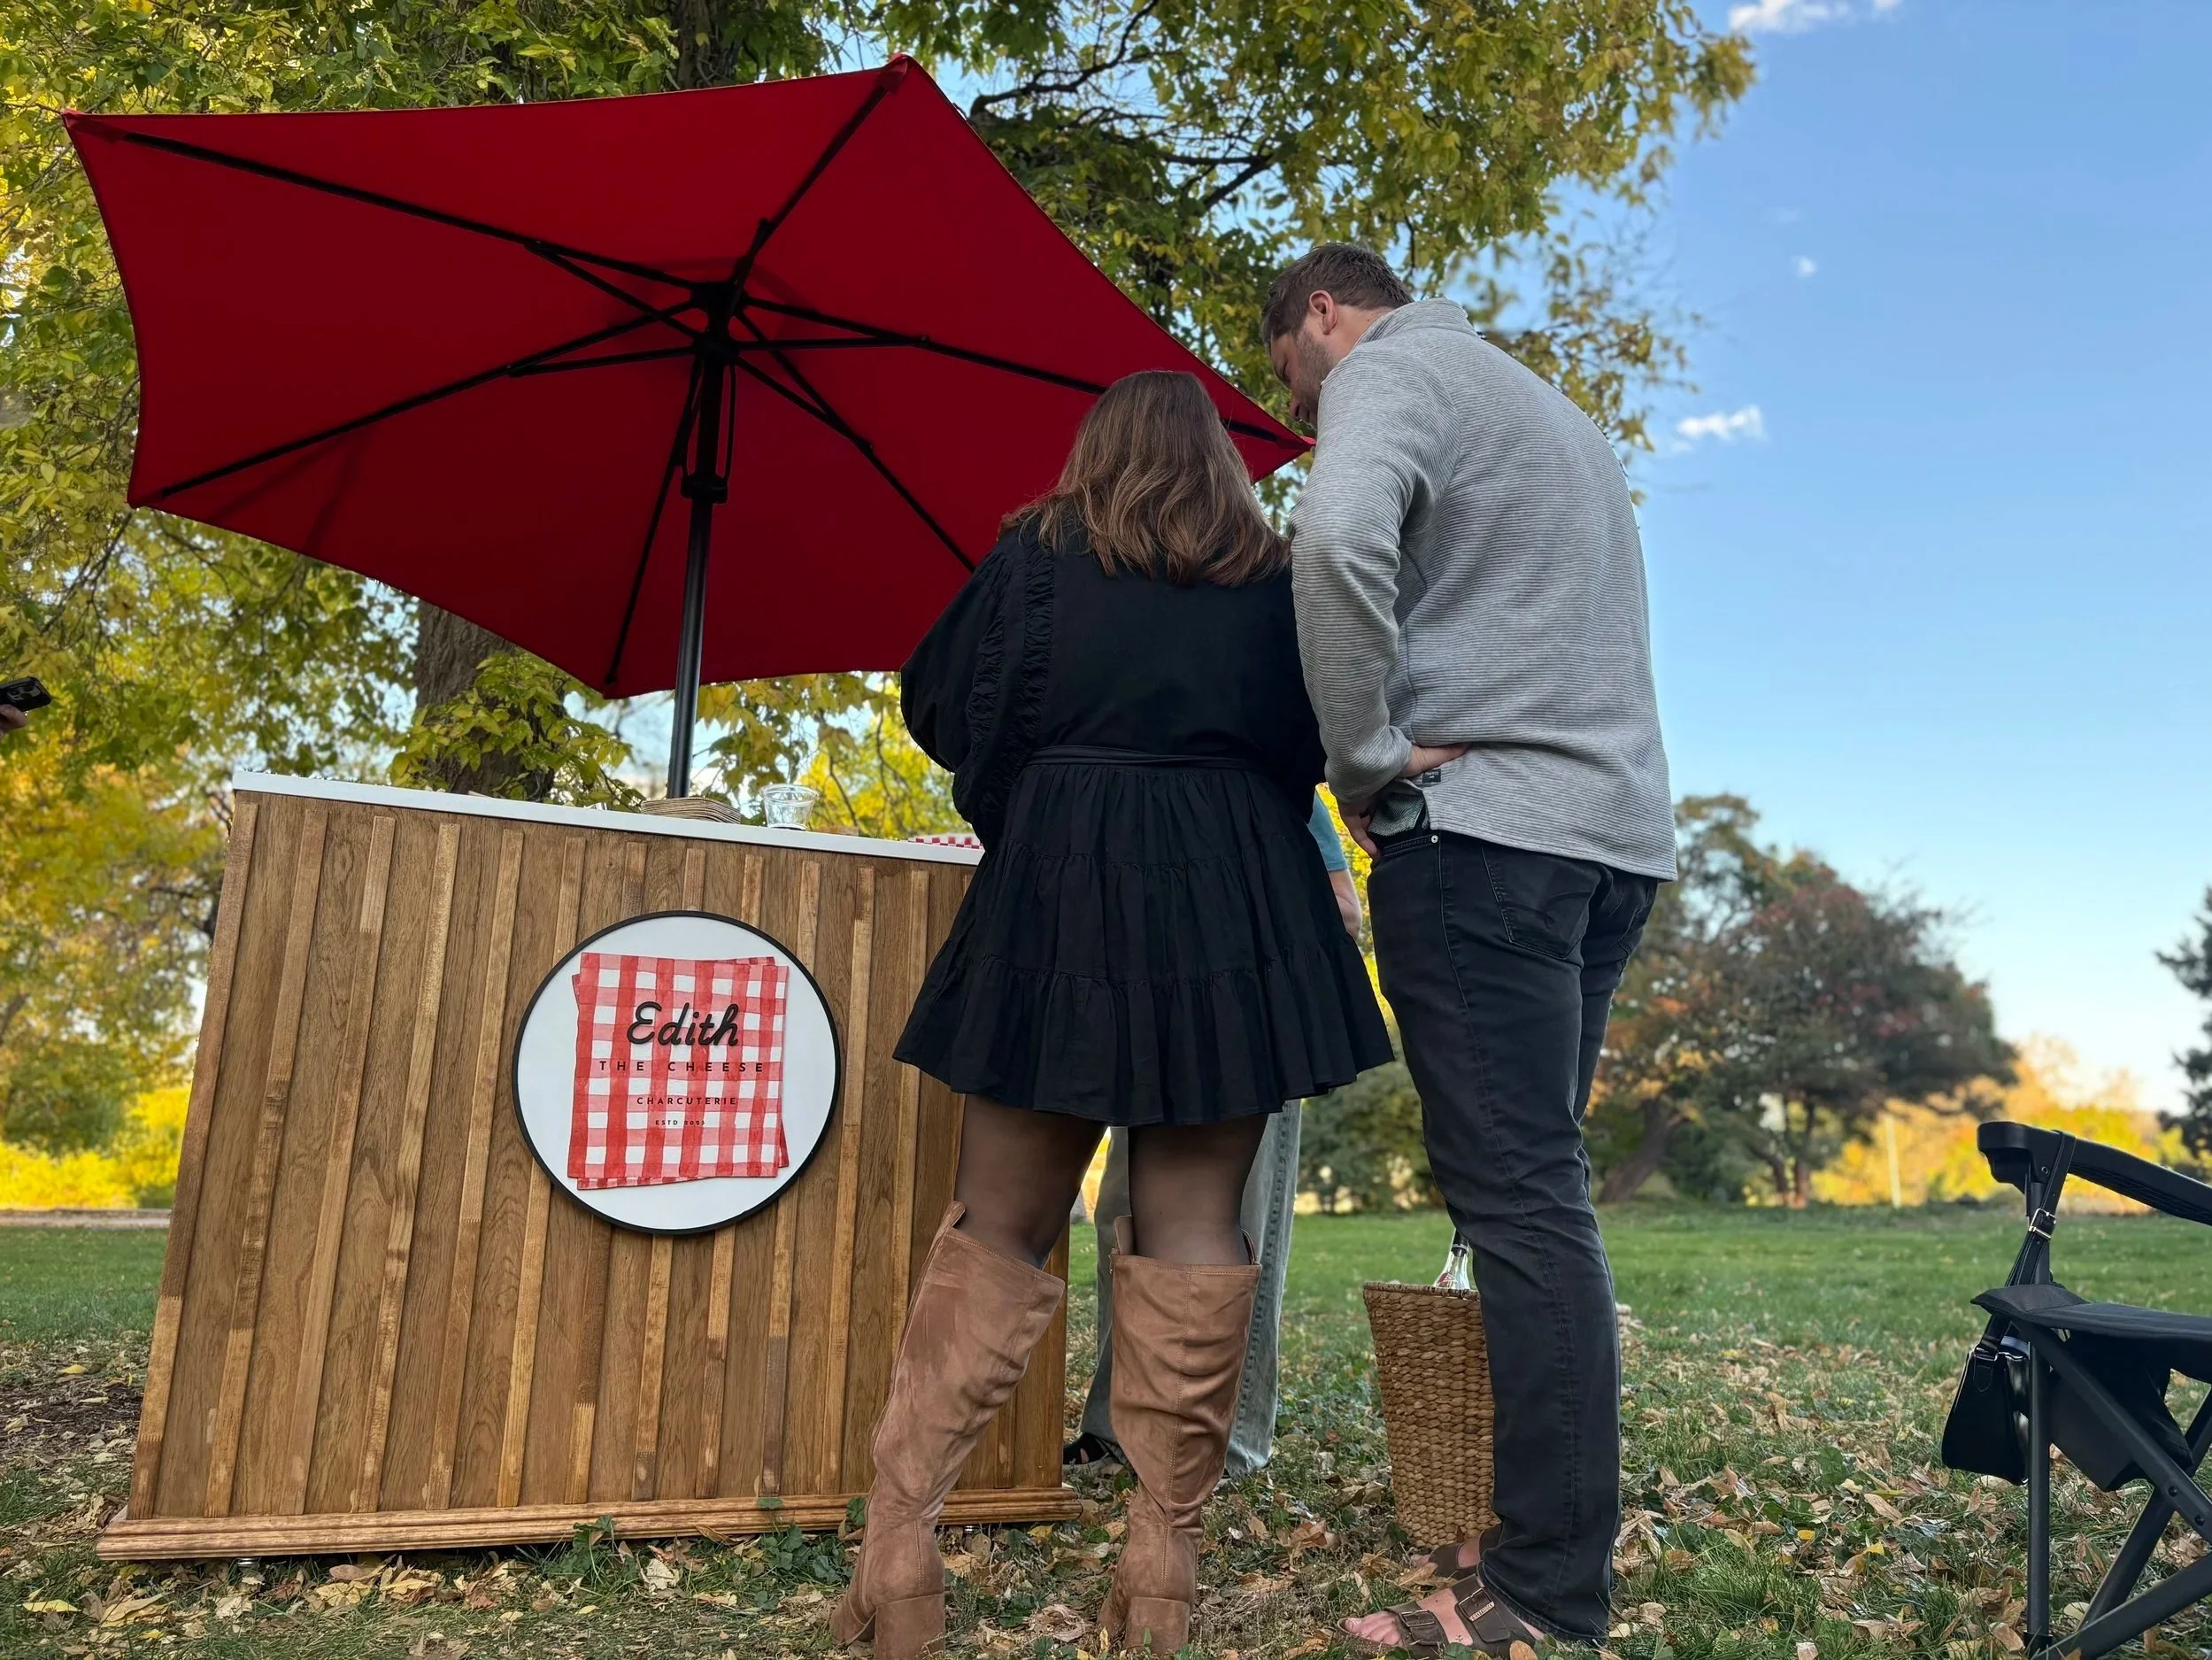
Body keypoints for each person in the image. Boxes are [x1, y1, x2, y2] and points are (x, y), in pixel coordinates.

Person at [832, 370, 1392, 1660]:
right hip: (1232, 895)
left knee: (1000, 1221)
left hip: (1060, 883)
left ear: (1094, 451)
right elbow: (1317, 731)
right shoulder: (1274, 575)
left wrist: (1033, 781)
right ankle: (1159, 1568)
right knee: (1196, 1219)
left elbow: (937, 701)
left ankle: (900, 1551)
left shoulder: (1034, 555)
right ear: (1221, 463)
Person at [1268, 244, 1676, 1656]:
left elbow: (1331, 544)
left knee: (1518, 1202)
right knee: (1540, 1196)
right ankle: (1533, 1525)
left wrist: (1360, 758)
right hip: (1609, 841)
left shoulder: (1389, 373)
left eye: (1286, 365)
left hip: (1484, 834)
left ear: (1321, 312)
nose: (1301, 391)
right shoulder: (1554, 413)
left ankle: (1544, 1589)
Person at [1067, 793, 1360, 1482]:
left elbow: (1342, 909)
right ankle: (1117, 1431)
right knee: (1123, 1222)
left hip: (1247, 1013)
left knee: (1225, 1233)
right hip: (1155, 1001)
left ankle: (1220, 1443)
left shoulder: (1277, 778)